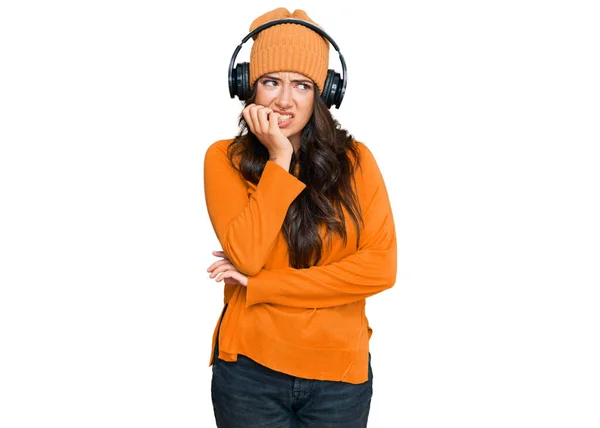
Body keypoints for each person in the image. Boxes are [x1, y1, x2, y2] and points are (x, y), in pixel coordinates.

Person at [202, 7, 397, 428]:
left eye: (302, 85)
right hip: (249, 373)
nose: (285, 100)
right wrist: (279, 157)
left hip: (339, 378)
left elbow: (380, 270)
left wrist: (264, 287)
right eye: (271, 82)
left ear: (324, 93)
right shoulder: (224, 159)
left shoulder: (357, 162)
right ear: (246, 86)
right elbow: (249, 256)